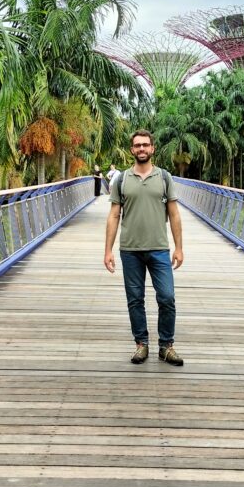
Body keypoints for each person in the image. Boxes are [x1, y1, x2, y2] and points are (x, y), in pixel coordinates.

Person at [104, 130, 184, 366]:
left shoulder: (164, 177)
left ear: (152, 149)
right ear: (132, 150)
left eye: (145, 145)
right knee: (135, 299)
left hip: (159, 248)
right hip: (130, 250)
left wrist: (179, 248)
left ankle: (166, 346)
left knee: (167, 297)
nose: (141, 149)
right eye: (137, 145)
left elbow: (174, 213)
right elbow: (114, 215)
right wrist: (107, 250)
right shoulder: (122, 180)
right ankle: (141, 344)